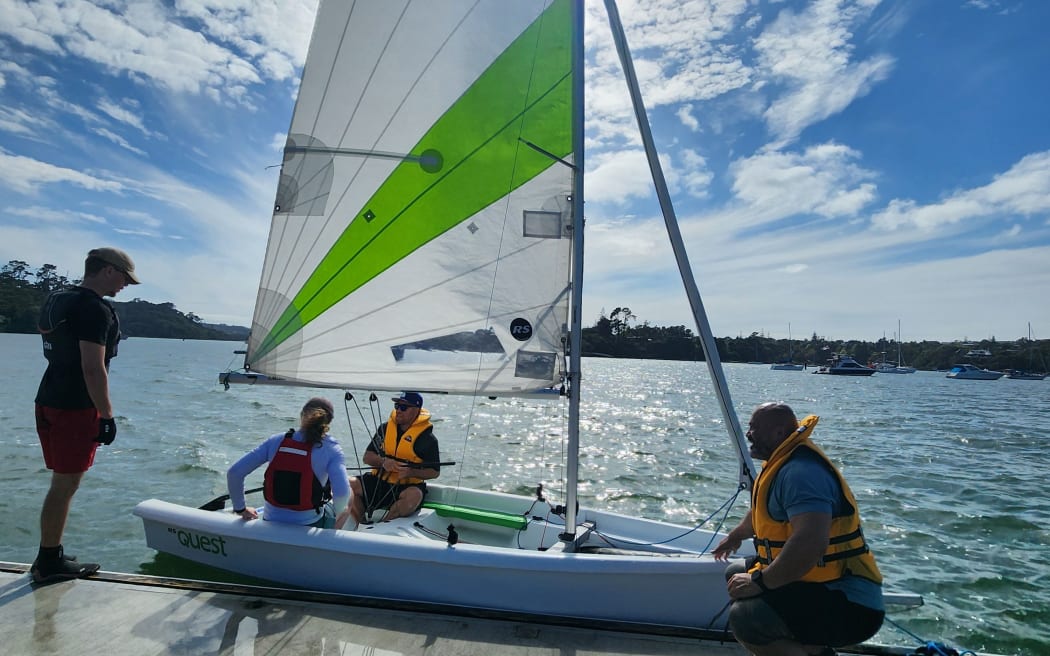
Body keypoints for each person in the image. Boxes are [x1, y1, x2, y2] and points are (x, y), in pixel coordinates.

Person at [713, 402, 884, 656]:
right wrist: (735, 536)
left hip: (851, 604)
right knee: (736, 573)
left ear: (779, 433)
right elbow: (763, 514)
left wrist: (761, 582)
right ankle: (812, 650)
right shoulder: (782, 463)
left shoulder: (800, 473)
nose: (748, 434)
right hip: (819, 583)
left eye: (754, 428)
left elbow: (810, 542)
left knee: (746, 618)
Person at [32, 247, 139, 584]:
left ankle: (51, 552)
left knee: (60, 483)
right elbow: (93, 368)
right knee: (65, 485)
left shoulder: (59, 298)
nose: (125, 285)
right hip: (75, 408)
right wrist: (106, 415)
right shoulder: (94, 309)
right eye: (124, 277)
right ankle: (48, 562)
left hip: (47, 398)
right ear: (108, 270)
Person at [227, 397, 351, 528]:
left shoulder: (276, 440)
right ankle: (329, 540)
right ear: (328, 422)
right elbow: (342, 493)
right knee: (350, 493)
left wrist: (241, 509)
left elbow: (234, 473)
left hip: (271, 520)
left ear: (302, 415)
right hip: (311, 523)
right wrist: (339, 511)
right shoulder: (332, 448)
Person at [338, 392, 440, 527]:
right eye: (397, 406)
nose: (398, 410)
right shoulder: (385, 428)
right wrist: (383, 462)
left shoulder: (427, 439)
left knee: (414, 495)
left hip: (406, 486)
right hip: (379, 482)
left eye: (403, 407)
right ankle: (359, 522)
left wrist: (411, 472)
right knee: (349, 483)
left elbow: (434, 472)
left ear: (416, 410)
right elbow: (367, 457)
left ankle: (380, 527)